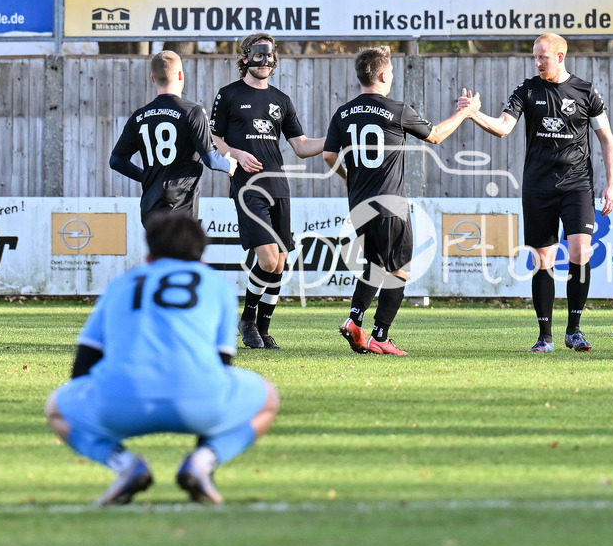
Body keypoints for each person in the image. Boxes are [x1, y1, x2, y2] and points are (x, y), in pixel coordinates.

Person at [44, 212, 281, 505]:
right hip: (200, 402)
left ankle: (123, 464)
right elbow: (222, 363)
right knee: (269, 398)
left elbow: (83, 363)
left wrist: (90, 405)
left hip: (119, 403)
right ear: (201, 257)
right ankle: (204, 461)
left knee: (55, 407)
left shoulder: (122, 284)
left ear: (147, 256)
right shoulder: (215, 285)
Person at [462, 33, 613, 353]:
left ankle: (574, 330)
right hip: (538, 187)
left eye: (543, 57)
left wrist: (611, 184)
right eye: (535, 57)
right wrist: (473, 113)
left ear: (560, 56)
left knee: (579, 251)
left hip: (577, 185)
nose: (538, 62)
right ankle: (544, 337)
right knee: (542, 259)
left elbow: (606, 139)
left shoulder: (586, 92)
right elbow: (504, 127)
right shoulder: (527, 89)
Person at [323, 46, 480, 356]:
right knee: (399, 270)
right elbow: (435, 136)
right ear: (383, 75)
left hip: (358, 204)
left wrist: (346, 176)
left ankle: (355, 321)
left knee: (375, 265)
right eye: (391, 72)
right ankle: (380, 336)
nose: (392, 77)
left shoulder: (342, 112)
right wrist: (466, 112)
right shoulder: (397, 110)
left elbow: (329, 155)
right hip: (391, 204)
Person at [210, 33, 326, 350]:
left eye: (269, 55)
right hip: (248, 187)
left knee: (280, 262)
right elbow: (214, 139)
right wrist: (235, 153)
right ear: (246, 58)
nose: (264, 61)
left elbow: (301, 147)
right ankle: (247, 320)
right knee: (268, 257)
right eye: (258, 55)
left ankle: (262, 328)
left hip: (279, 185)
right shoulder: (228, 95)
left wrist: (334, 141)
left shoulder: (282, 100)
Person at [109, 50, 236, 228]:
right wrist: (229, 165)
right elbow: (211, 160)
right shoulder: (193, 112)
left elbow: (116, 161)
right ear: (180, 75)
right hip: (180, 206)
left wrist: (146, 177)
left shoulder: (139, 116)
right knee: (178, 256)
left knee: (160, 256)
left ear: (153, 78)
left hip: (149, 206)